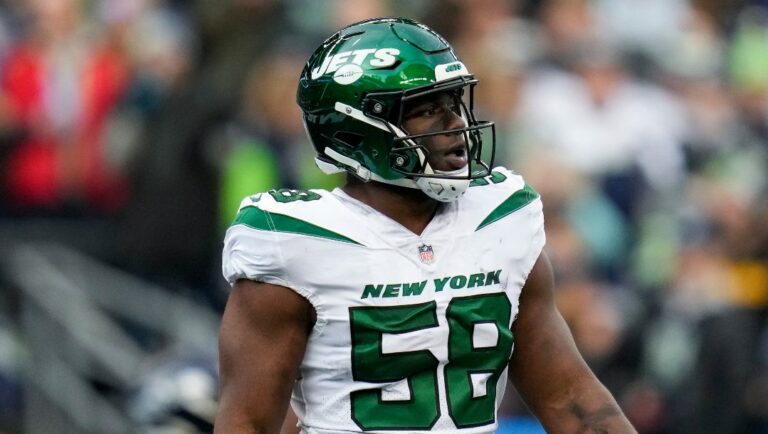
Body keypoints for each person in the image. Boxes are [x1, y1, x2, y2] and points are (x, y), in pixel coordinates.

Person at [215, 17, 636, 434]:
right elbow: (247, 423)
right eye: (428, 110)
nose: (456, 125)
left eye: (454, 103)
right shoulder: (296, 243)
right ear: (354, 133)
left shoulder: (500, 219)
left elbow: (573, 402)